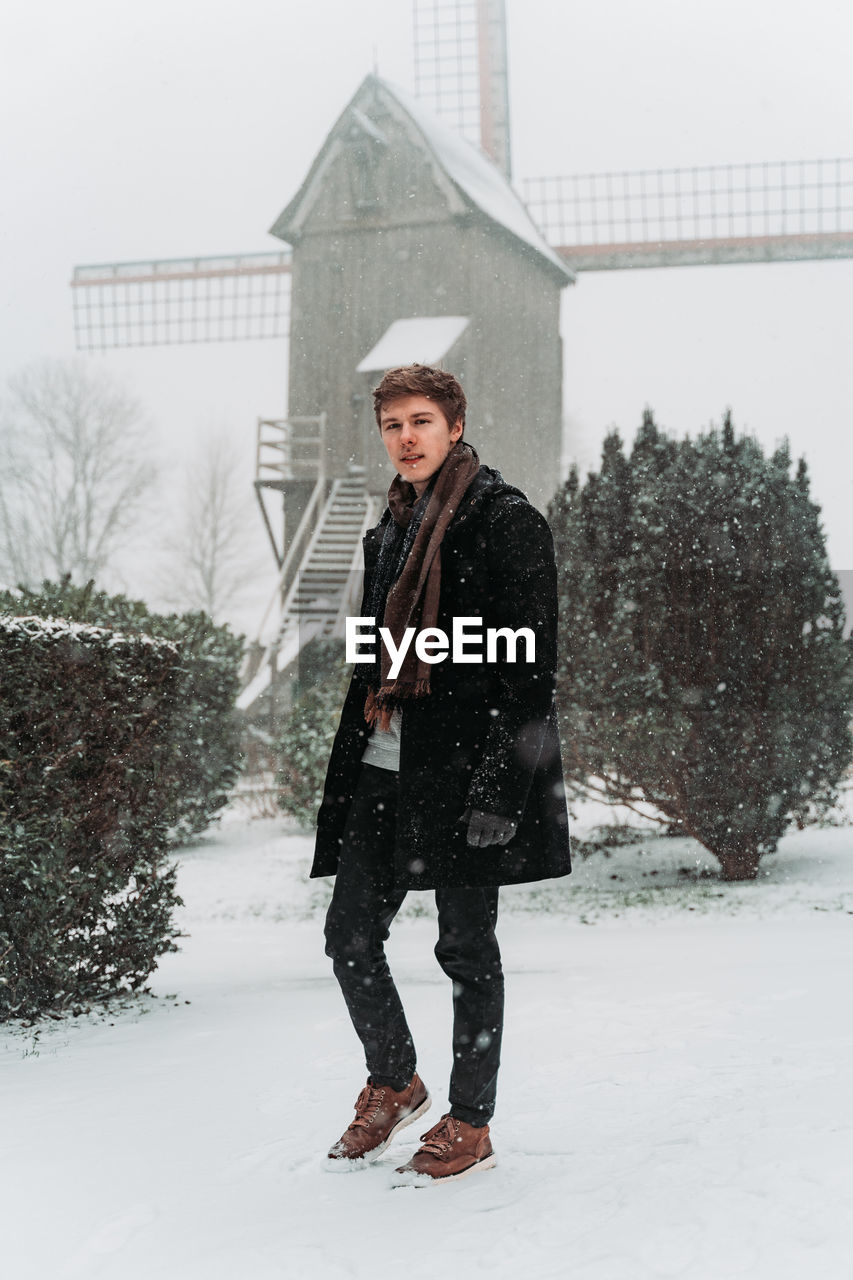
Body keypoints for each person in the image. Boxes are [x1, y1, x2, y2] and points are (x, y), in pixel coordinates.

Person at [311, 364, 571, 1184]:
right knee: (348, 935)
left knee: (465, 948)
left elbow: (527, 672)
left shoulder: (505, 521)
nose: (407, 438)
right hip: (384, 768)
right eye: (392, 426)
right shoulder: (385, 530)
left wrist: (502, 787)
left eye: (422, 421)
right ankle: (394, 1080)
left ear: (454, 426)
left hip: (463, 778)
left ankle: (470, 1119)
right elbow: (375, 656)